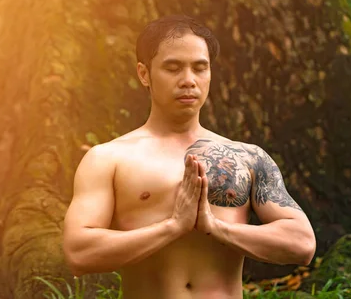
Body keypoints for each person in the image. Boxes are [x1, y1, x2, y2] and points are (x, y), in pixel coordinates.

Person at [62, 15, 316, 299]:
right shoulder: (109, 158)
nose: (188, 80)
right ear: (144, 74)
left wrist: (215, 228)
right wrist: (173, 227)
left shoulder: (247, 157)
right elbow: (79, 252)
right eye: (173, 68)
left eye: (200, 68)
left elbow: (302, 243)